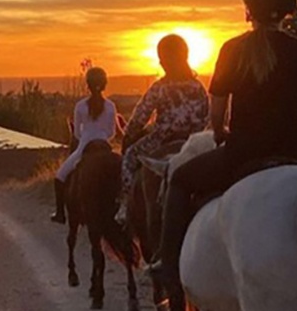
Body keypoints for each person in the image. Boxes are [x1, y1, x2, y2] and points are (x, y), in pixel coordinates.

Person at [150, 0, 297, 285]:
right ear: (289, 8)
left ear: (248, 8)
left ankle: (167, 264)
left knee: (180, 181)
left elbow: (217, 106)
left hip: (244, 152)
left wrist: (218, 132)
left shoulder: (232, 49)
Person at [115, 34, 209, 223]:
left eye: (162, 58)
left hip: (162, 138)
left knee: (130, 157)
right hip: (194, 141)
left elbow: (140, 117)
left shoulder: (160, 87)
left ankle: (125, 206)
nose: (161, 62)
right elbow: (206, 116)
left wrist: (128, 135)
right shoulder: (198, 87)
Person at [50, 67, 117, 224]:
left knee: (59, 177)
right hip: (105, 146)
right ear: (105, 84)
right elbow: (111, 132)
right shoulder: (111, 106)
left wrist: (86, 136)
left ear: (87, 84)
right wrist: (102, 136)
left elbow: (77, 135)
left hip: (85, 146)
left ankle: (60, 214)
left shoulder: (80, 106)